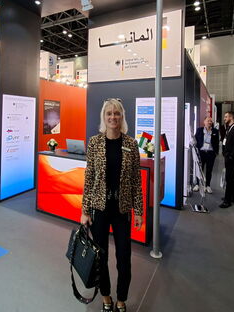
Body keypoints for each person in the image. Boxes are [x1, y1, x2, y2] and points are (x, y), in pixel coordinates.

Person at [81, 98, 143, 312]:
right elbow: (89, 178)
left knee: (124, 257)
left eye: (116, 113)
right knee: (101, 257)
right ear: (104, 117)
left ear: (122, 116)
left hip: (122, 210)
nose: (113, 117)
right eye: (109, 113)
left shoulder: (131, 144)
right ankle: (106, 296)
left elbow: (136, 180)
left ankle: (121, 299)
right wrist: (85, 210)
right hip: (99, 208)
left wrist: (138, 211)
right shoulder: (94, 143)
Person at [220, 111, 234, 208]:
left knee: (229, 178)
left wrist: (231, 157)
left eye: (226, 117)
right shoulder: (229, 128)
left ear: (231, 117)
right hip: (228, 156)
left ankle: (227, 200)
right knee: (231, 177)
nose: (224, 118)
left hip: (231, 158)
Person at [194, 116, 219, 193]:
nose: (209, 122)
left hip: (210, 154)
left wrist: (216, 153)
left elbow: (217, 142)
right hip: (201, 153)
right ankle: (197, 184)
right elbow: (195, 140)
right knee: (199, 170)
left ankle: (208, 185)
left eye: (211, 121)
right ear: (204, 122)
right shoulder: (199, 130)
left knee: (209, 170)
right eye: (208, 121)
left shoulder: (215, 131)